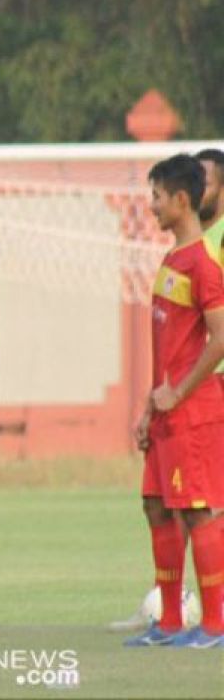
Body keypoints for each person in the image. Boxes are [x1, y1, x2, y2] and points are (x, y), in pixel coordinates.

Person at [124, 154, 224, 648]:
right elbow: (170, 348)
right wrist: (149, 407)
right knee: (156, 505)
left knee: (198, 510)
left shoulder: (204, 265)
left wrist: (178, 392)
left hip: (194, 411)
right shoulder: (170, 262)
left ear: (181, 200)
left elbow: (220, 339)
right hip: (165, 412)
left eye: (157, 197)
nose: (152, 206)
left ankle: (213, 625)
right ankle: (167, 622)